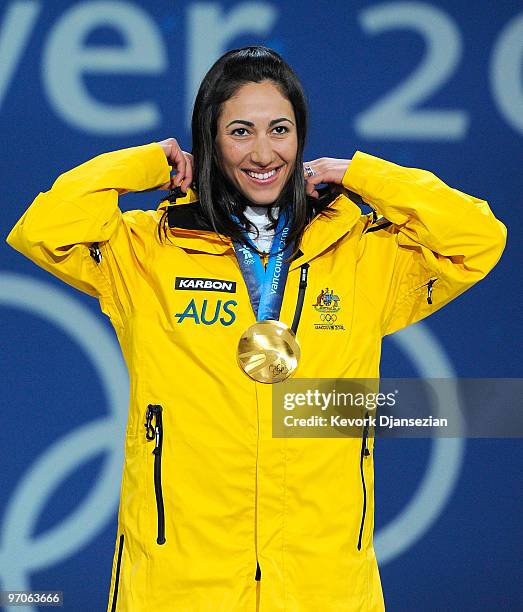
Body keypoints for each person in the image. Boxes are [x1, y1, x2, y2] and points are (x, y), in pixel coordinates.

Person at [6, 46, 506, 611]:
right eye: (240, 131)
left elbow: (477, 239)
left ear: (302, 139)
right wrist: (148, 165)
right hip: (180, 582)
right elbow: (41, 229)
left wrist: (363, 175)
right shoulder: (147, 251)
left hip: (323, 584)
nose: (263, 152)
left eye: (281, 130)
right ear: (210, 141)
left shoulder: (361, 253)